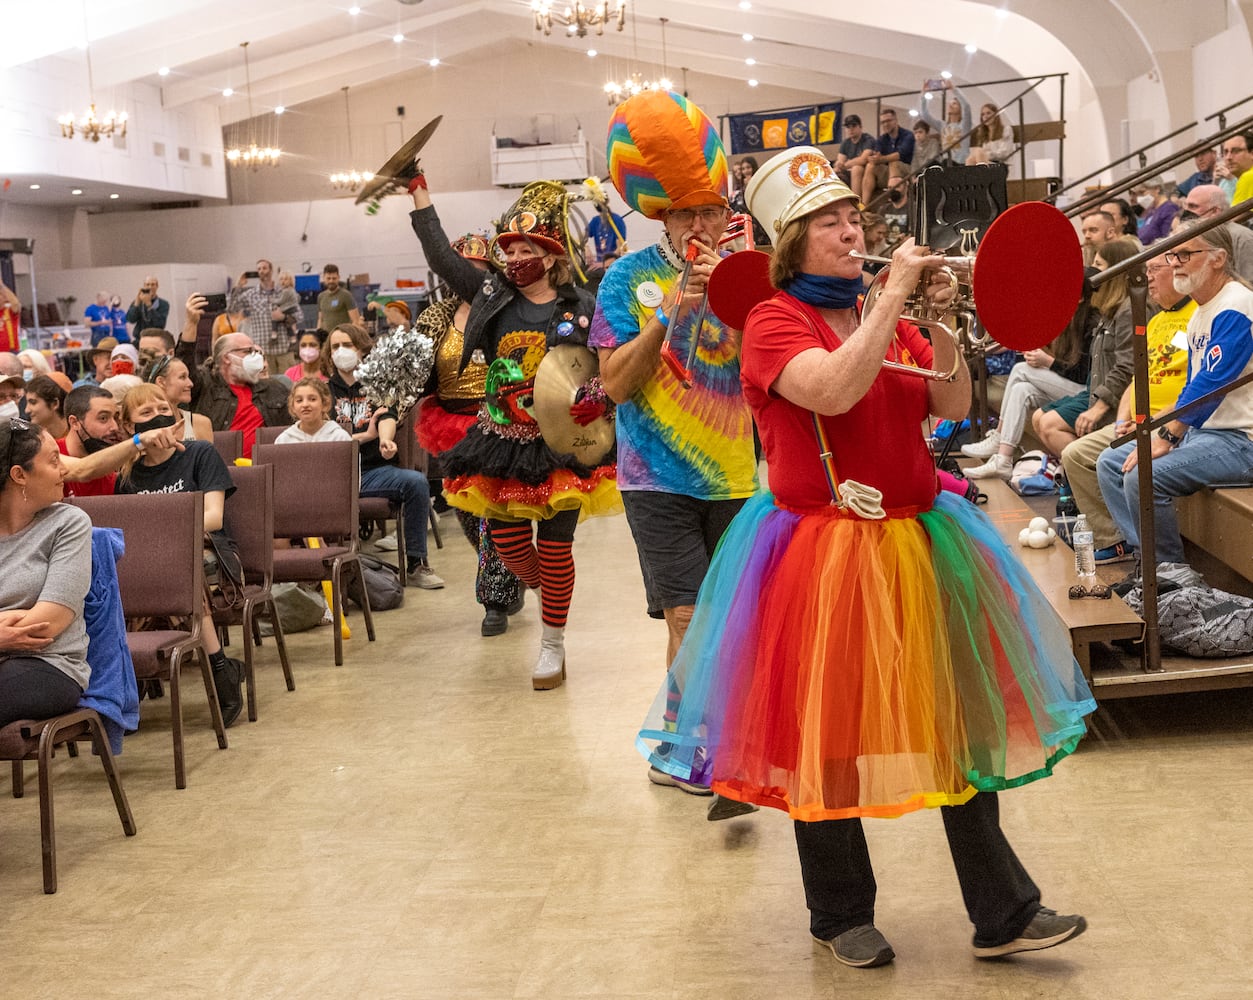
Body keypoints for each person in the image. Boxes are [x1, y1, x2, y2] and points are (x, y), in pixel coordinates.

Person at [638, 146, 1094, 969]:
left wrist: (944, 319)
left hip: (923, 538)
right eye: (828, 223)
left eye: (853, 217)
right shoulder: (774, 321)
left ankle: (1003, 912)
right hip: (820, 549)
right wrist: (890, 297)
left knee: (963, 719)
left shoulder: (886, 315)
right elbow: (834, 390)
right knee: (828, 735)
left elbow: (952, 404)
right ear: (789, 242)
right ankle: (837, 911)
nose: (851, 231)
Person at [592, 89, 758, 797]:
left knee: (725, 618)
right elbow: (616, 385)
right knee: (689, 613)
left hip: (736, 473)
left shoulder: (753, 273)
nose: (700, 223)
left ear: (727, 212)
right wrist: (673, 314)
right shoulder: (627, 279)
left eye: (710, 209)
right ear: (663, 214)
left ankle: (683, 740)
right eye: (685, 211)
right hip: (652, 476)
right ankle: (696, 754)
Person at [410, 175, 619, 688]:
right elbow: (441, 256)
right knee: (507, 548)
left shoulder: (584, 305)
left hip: (561, 446)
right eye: (509, 249)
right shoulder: (492, 297)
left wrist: (602, 399)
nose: (513, 257)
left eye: (524, 248)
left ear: (550, 256)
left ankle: (552, 643)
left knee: (554, 547)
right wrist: (419, 192)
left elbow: (609, 367)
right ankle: (544, 590)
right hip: (500, 442)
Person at [1097, 225, 1253, 574]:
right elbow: (1193, 384)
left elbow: (1214, 382)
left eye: (1186, 254)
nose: (1176, 263)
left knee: (1143, 475)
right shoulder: (1202, 310)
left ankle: (1173, 578)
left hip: (1242, 440)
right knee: (1110, 462)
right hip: (1207, 434)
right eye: (1173, 255)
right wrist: (1163, 427)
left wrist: (1168, 434)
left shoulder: (1237, 305)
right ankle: (1148, 565)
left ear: (1218, 259)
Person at [412, 233, 525, 637]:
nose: (467, 277)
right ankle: (507, 574)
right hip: (449, 426)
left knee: (494, 516)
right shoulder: (433, 316)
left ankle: (494, 600)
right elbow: (417, 370)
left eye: (477, 270)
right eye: (461, 269)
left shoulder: (506, 311)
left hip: (499, 425)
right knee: (467, 515)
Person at [112, 385, 244, 724]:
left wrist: (159, 534)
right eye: (145, 413)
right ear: (129, 428)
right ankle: (127, 675)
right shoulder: (126, 476)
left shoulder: (199, 454)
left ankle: (217, 667)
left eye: (163, 409)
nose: (158, 416)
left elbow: (213, 517)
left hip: (210, 552)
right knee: (117, 575)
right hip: (151, 558)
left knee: (183, 567)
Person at [1061, 253, 1191, 563]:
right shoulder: (1157, 319)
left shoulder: (1198, 315)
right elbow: (1135, 380)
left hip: (1171, 424)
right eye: (1145, 270)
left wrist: (1150, 423)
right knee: (1074, 455)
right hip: (1137, 421)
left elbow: (1196, 389)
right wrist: (1122, 420)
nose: (1147, 278)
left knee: (1114, 462)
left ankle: (1151, 557)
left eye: (1154, 269)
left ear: (1176, 272)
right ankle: (1119, 540)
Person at [324, 322, 443, 589]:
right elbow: (321, 438)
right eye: (335, 346)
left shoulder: (375, 385)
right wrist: (365, 436)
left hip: (372, 472)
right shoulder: (323, 392)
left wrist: (386, 439)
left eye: (347, 345)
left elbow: (385, 416)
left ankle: (415, 563)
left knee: (415, 483)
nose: (341, 351)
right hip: (335, 477)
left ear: (362, 349)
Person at [0, 418, 93, 728]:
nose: (64, 470)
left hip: (49, 666)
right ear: (19, 475)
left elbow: (46, 624)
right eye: (54, 461)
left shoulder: (69, 523)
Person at [1030, 235, 1138, 459]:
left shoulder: (1128, 311)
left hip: (1112, 401)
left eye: (1099, 265)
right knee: (1038, 417)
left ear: (1116, 270)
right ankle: (1073, 483)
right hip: (1094, 391)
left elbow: (1128, 366)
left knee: (1050, 424)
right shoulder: (1110, 309)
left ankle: (1088, 484)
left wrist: (1099, 407)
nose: (1092, 270)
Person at [177, 294, 290, 457]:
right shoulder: (205, 386)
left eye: (256, 351)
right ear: (226, 358)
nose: (255, 357)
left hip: (268, 465)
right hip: (220, 466)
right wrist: (191, 323)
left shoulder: (274, 388)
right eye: (247, 352)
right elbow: (184, 365)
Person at [61, 386, 125, 498]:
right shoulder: (49, 453)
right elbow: (82, 470)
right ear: (75, 422)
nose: (114, 427)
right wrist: (139, 442)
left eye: (115, 418)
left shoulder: (113, 472)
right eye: (103, 418)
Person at [227, 259, 288, 368]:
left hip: (283, 348)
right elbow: (232, 310)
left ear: (271, 270)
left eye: (264, 268)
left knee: (289, 382)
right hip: (262, 349)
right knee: (267, 383)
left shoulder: (283, 292)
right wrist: (238, 286)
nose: (261, 271)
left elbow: (297, 316)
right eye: (259, 269)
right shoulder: (250, 294)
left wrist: (284, 317)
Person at [141, 353, 213, 442]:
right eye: (182, 377)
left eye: (188, 377)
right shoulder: (143, 424)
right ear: (161, 382)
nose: (190, 384)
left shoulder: (201, 424)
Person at [863, 107, 914, 206]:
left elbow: (899, 155)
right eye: (883, 122)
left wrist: (881, 159)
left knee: (894, 162)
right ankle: (864, 206)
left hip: (907, 171)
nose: (886, 124)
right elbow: (877, 155)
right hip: (888, 172)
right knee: (870, 166)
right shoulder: (882, 139)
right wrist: (873, 159)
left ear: (896, 121)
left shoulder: (908, 135)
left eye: (888, 121)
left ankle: (894, 198)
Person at [276, 377, 352, 444]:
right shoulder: (284, 440)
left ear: (324, 404)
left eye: (312, 399)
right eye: (299, 400)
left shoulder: (339, 437)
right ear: (293, 407)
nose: (305, 405)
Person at [917, 79, 971, 163]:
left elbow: (966, 107)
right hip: (947, 162)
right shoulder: (942, 126)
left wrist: (953, 88)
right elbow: (925, 115)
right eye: (950, 103)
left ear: (960, 109)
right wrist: (924, 94)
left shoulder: (964, 125)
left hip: (961, 162)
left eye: (954, 104)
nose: (950, 105)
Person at [832, 115, 876, 197]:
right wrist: (839, 164)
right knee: (832, 172)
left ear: (860, 127)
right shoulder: (846, 142)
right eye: (848, 127)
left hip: (866, 172)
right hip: (848, 170)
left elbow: (863, 160)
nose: (851, 129)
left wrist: (845, 165)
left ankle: (857, 203)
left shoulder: (868, 140)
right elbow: (840, 160)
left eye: (854, 126)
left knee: (857, 168)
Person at [23, 374, 69, 441]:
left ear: (54, 404)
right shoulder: (35, 441)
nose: (26, 410)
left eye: (33, 402)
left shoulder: (80, 439)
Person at [316, 264, 362, 332]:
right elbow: (320, 319)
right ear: (324, 278)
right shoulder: (321, 296)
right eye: (328, 278)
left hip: (342, 337)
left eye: (334, 278)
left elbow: (356, 320)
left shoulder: (346, 295)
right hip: (326, 338)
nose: (331, 281)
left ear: (338, 278)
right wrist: (318, 334)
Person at [1134, 177, 1179, 244]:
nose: (1139, 197)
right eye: (1137, 194)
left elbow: (1166, 239)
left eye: (1142, 192)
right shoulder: (1152, 210)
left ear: (1157, 188)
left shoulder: (1169, 209)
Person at [0, 282, 20, 353]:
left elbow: (15, 303)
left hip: (11, 352)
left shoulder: (9, 311)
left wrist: (1, 285)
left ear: (5, 298)